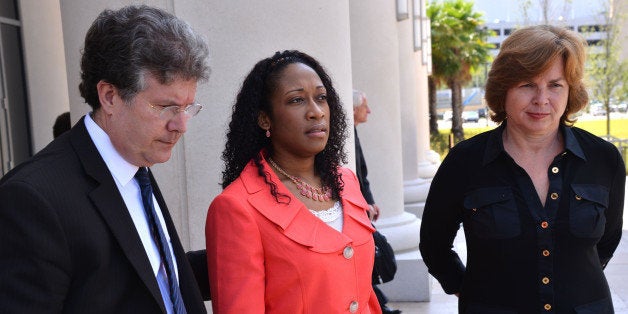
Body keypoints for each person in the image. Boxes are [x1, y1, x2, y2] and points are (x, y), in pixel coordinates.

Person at [0, 5, 209, 314]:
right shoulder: (31, 198)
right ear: (110, 96)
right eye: (166, 107)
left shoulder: (135, 163)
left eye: (188, 107)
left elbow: (148, 280)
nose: (181, 125)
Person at [419, 25, 625, 313]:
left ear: (570, 92)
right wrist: (470, 290)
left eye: (555, 85)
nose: (541, 99)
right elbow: (434, 246)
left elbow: (607, 241)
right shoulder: (464, 162)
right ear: (504, 89)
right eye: (527, 84)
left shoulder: (604, 159)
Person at [205, 50, 381, 313]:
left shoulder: (347, 181)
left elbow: (363, 295)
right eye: (297, 100)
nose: (316, 112)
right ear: (265, 118)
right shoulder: (236, 207)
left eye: (321, 98)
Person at [353, 90, 401, 314]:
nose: (369, 111)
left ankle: (379, 304)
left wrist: (370, 202)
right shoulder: (347, 134)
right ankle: (380, 305)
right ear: (354, 109)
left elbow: (362, 175)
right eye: (365, 106)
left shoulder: (352, 132)